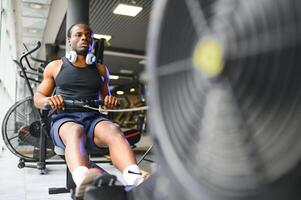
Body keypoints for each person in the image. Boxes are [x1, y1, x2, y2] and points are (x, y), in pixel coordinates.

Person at [33, 23, 147, 198]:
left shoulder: (100, 69)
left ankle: (134, 178)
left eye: (88, 36)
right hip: (64, 120)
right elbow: (38, 97)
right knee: (75, 131)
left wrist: (109, 101)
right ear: (69, 41)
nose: (84, 38)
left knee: (113, 129)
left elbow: (105, 99)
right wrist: (49, 100)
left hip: (93, 119)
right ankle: (84, 181)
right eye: (78, 35)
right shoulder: (55, 66)